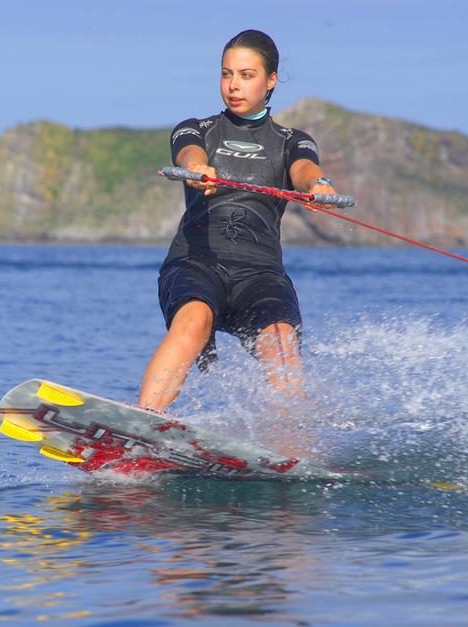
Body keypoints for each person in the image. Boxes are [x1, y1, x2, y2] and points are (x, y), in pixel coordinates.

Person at [138, 29, 338, 413]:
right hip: (197, 263)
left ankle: (291, 442)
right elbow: (188, 152)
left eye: (246, 75)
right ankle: (144, 421)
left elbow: (305, 168)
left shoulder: (292, 139)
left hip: (259, 274)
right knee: (194, 318)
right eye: (227, 74)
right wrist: (197, 167)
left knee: (280, 339)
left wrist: (319, 185)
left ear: (271, 80)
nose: (233, 85)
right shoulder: (197, 129)